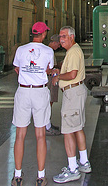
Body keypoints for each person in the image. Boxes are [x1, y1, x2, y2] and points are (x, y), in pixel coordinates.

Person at [11, 21, 55, 186]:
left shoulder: (21, 50)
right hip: (39, 92)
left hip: (23, 92)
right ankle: (40, 175)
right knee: (40, 135)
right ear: (43, 35)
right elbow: (48, 70)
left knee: (20, 135)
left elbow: (16, 68)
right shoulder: (48, 51)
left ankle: (17, 175)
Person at [52, 27, 91, 183]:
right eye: (60, 36)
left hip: (73, 94)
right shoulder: (72, 51)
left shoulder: (74, 52)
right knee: (77, 128)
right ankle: (83, 162)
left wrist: (58, 76)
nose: (61, 39)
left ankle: (73, 169)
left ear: (71, 37)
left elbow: (72, 74)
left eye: (64, 36)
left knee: (68, 130)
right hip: (77, 92)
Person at [46, 33, 62, 136]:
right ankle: (47, 126)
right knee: (48, 103)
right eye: (59, 44)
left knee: (50, 102)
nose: (59, 46)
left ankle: (48, 124)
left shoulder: (50, 51)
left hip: (51, 79)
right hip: (49, 81)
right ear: (54, 42)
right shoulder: (48, 52)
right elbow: (48, 69)